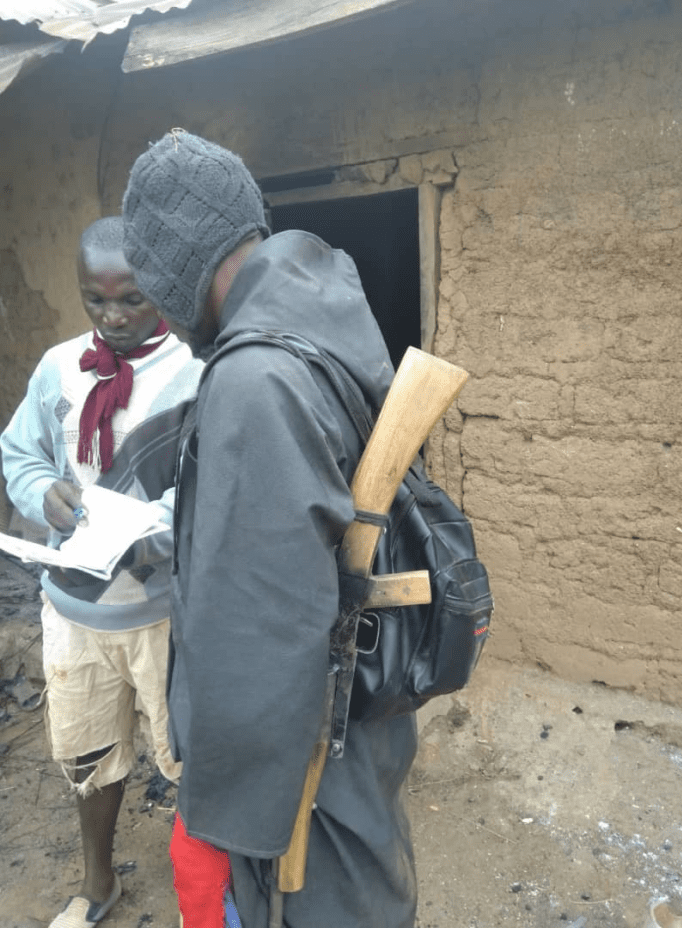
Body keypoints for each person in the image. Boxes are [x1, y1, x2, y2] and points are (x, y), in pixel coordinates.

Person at [121, 130, 418, 928]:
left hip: (294, 787)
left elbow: (257, 638)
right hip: (355, 731)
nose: (164, 318)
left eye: (155, 291)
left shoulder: (254, 382)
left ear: (183, 269)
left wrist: (212, 829)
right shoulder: (321, 309)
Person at [0, 216, 202, 928]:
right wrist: (40, 494)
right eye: (95, 301)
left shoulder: (196, 370)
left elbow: (215, 478)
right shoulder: (59, 368)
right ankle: (97, 882)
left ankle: (201, 898)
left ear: (163, 291)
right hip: (74, 608)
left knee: (186, 758)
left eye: (132, 301)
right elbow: (21, 455)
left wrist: (160, 523)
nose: (113, 319)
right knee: (88, 752)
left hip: (164, 612)